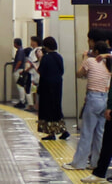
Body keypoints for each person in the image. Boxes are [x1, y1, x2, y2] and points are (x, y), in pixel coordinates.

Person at [64, 41, 110, 169]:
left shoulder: (90, 61)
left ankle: (78, 163)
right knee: (100, 133)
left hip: (93, 98)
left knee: (87, 132)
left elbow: (79, 74)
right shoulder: (108, 63)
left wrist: (84, 58)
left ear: (95, 52)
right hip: (105, 98)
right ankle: (96, 163)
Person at [35, 36, 68, 140]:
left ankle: (51, 133)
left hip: (46, 86)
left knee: (47, 109)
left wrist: (40, 58)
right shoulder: (59, 56)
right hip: (57, 85)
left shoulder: (46, 57)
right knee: (56, 108)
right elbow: (62, 71)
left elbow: (41, 71)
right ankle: (63, 130)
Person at [10, 37, 30, 107]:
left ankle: (22, 101)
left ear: (16, 43)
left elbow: (19, 61)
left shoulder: (20, 51)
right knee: (21, 86)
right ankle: (23, 100)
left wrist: (15, 69)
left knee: (20, 86)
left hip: (19, 70)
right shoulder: (21, 50)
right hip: (21, 69)